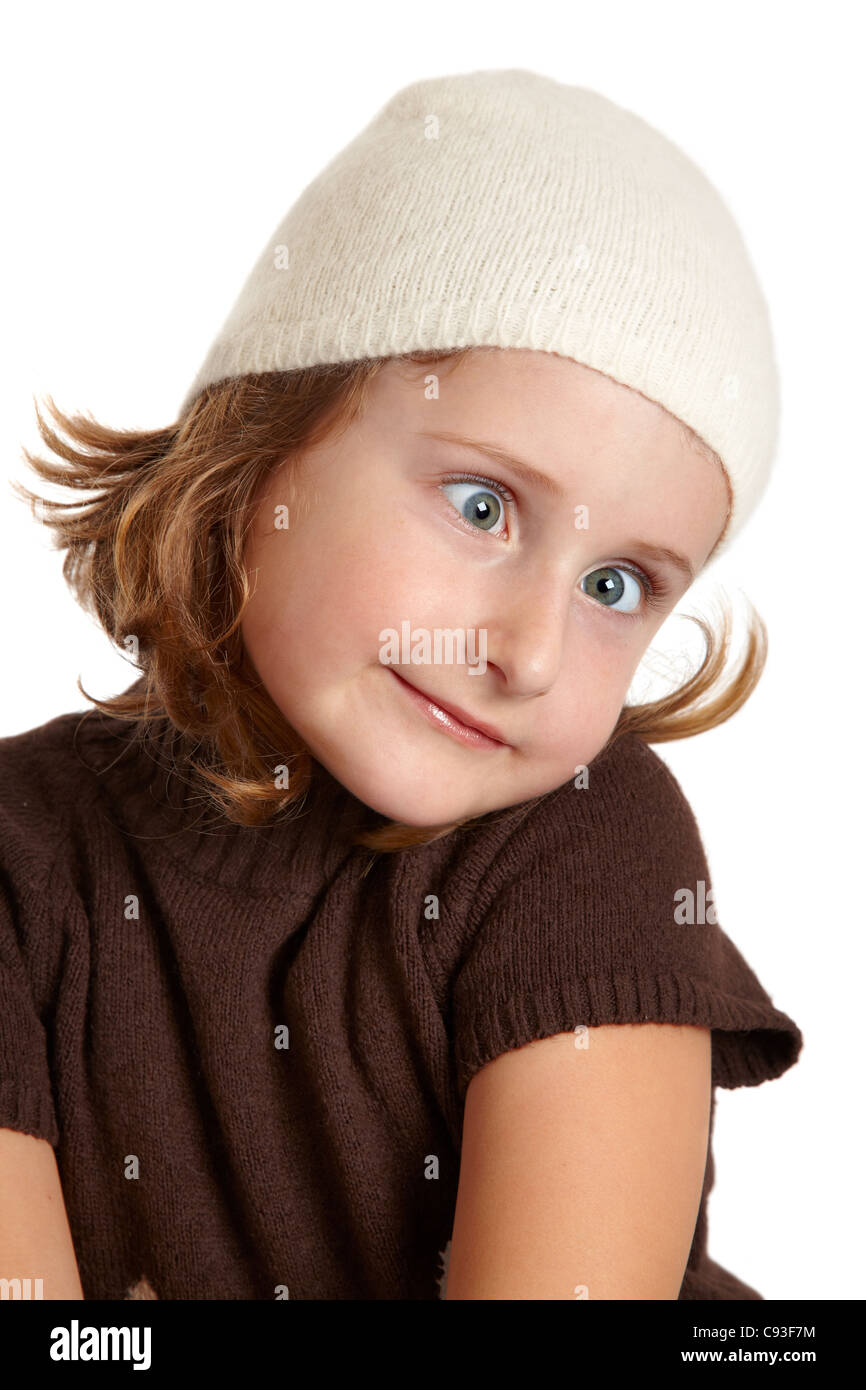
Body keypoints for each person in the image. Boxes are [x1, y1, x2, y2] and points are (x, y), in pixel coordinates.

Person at [0, 68, 802, 1301]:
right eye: (481, 507)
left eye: (616, 587)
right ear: (266, 435)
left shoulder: (588, 842)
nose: (528, 655)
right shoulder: (24, 857)